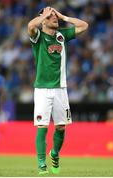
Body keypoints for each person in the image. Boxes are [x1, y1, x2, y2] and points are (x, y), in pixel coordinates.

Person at [27, 7, 88, 174]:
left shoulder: (62, 35)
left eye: (55, 15)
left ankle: (54, 153)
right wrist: (44, 16)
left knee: (61, 127)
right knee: (42, 126)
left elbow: (84, 26)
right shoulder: (38, 37)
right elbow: (30, 27)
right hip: (42, 89)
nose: (54, 18)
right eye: (50, 16)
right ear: (43, 19)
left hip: (61, 88)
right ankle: (41, 164)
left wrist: (64, 17)